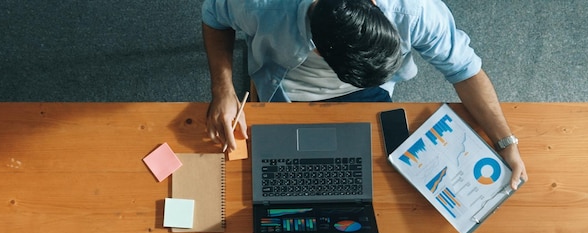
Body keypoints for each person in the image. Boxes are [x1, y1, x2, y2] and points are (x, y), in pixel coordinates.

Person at [202, 0, 528, 189]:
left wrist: (505, 142)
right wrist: (223, 90)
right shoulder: (261, 5)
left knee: (382, 184)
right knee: (275, 177)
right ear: (317, 47)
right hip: (281, 90)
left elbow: (465, 71)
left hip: (371, 94)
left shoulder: (415, 10)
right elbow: (214, 18)